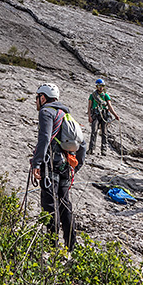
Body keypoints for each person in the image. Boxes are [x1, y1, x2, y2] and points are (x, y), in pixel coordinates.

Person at [31, 83, 85, 251]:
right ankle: (71, 246)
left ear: (43, 97)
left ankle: (51, 247)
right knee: (65, 204)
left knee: (49, 206)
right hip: (66, 166)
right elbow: (82, 144)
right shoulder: (66, 114)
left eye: (37, 98)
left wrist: (37, 163)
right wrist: (75, 167)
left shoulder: (46, 112)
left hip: (50, 166)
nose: (36, 102)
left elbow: (45, 138)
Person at [87, 78, 120, 155]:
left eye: (102, 86)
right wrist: (89, 116)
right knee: (94, 131)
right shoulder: (92, 96)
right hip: (95, 115)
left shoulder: (106, 96)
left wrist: (115, 115)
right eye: (99, 86)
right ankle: (91, 149)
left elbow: (110, 107)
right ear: (96, 86)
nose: (101, 87)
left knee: (104, 133)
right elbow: (89, 107)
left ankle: (103, 149)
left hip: (104, 115)